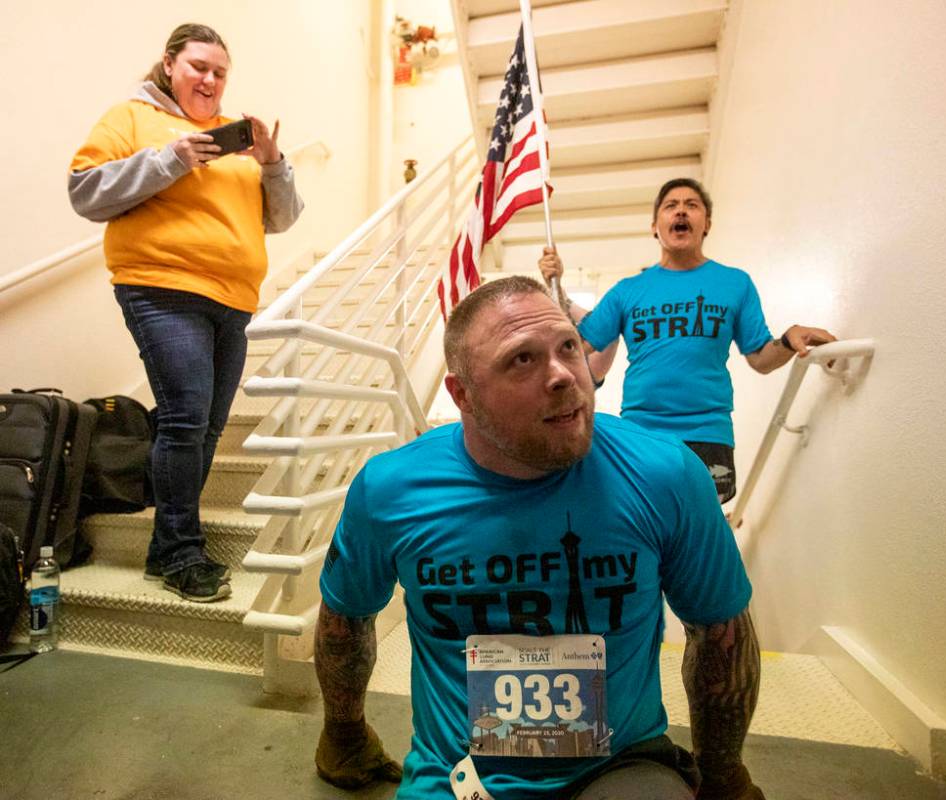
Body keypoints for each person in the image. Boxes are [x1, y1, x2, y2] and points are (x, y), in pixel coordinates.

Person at [314, 276, 765, 799]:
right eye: (521, 360)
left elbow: (720, 632)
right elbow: (345, 621)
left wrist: (724, 774)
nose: (563, 376)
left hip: (620, 768)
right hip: (460, 778)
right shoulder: (391, 489)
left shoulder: (666, 474)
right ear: (463, 394)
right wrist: (343, 734)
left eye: (568, 346)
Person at [68, 23, 303, 602]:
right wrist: (169, 159)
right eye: (199, 66)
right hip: (162, 288)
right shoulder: (132, 118)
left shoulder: (235, 143)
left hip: (233, 300)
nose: (210, 79)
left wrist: (271, 162)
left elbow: (282, 219)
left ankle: (166, 547)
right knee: (186, 418)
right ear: (170, 65)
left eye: (220, 72)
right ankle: (179, 552)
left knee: (209, 426)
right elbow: (84, 192)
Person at [539, 178, 836, 504]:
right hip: (642, 433)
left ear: (706, 223)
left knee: (702, 535)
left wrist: (789, 341)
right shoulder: (627, 290)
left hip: (708, 434)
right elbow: (575, 347)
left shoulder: (734, 284)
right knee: (646, 529)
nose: (681, 210)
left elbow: (762, 358)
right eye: (671, 206)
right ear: (655, 226)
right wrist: (555, 288)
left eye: (692, 205)